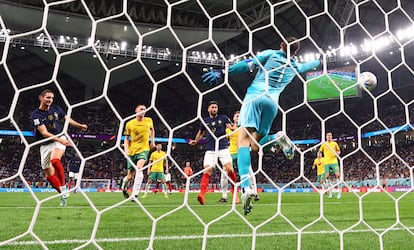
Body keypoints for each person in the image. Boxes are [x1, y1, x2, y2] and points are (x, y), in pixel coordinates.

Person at [202, 37, 321, 214]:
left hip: (255, 97)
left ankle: (246, 187)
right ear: (295, 52)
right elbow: (309, 65)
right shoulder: (296, 66)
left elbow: (246, 65)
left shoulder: (270, 54)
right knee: (256, 146)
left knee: (243, 142)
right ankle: (276, 137)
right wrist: (320, 60)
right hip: (272, 104)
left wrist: (223, 72)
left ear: (281, 45)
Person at [31, 89, 87, 206]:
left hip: (59, 137)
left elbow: (66, 118)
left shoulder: (56, 108)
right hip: (45, 143)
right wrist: (60, 139)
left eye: (51, 98)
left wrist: (79, 125)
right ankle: (62, 193)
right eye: (47, 97)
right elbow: (44, 133)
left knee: (55, 160)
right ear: (41, 98)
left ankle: (63, 187)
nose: (50, 100)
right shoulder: (36, 115)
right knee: (48, 174)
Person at [189, 101, 238, 205]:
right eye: (212, 107)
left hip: (223, 148)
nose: (214, 109)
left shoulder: (223, 118)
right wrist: (195, 141)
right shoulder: (205, 121)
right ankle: (202, 195)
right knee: (207, 171)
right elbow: (200, 133)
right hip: (210, 149)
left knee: (230, 169)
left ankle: (235, 194)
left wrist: (238, 125)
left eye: (216, 107)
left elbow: (232, 127)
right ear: (208, 109)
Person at [221, 110, 259, 203]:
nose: (238, 117)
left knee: (250, 172)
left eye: (239, 116)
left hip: (243, 152)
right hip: (231, 153)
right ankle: (224, 196)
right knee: (224, 174)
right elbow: (225, 139)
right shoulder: (228, 129)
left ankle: (255, 192)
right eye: (236, 116)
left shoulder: (245, 128)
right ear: (233, 118)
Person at [121, 104, 155, 200]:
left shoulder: (149, 120)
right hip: (132, 151)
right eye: (141, 109)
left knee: (139, 168)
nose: (143, 110)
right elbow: (126, 139)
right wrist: (126, 150)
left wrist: (152, 141)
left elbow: (152, 130)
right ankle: (123, 188)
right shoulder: (129, 124)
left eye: (145, 109)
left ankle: (135, 194)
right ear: (136, 110)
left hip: (144, 149)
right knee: (129, 176)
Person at [318, 132, 341, 199]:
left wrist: (337, 154)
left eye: (330, 135)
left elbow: (339, 151)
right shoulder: (324, 144)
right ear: (326, 137)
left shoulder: (334, 143)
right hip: (326, 162)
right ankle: (331, 193)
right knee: (327, 176)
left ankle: (339, 193)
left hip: (334, 161)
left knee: (337, 175)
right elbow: (319, 152)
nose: (329, 136)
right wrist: (319, 160)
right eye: (328, 135)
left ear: (332, 137)